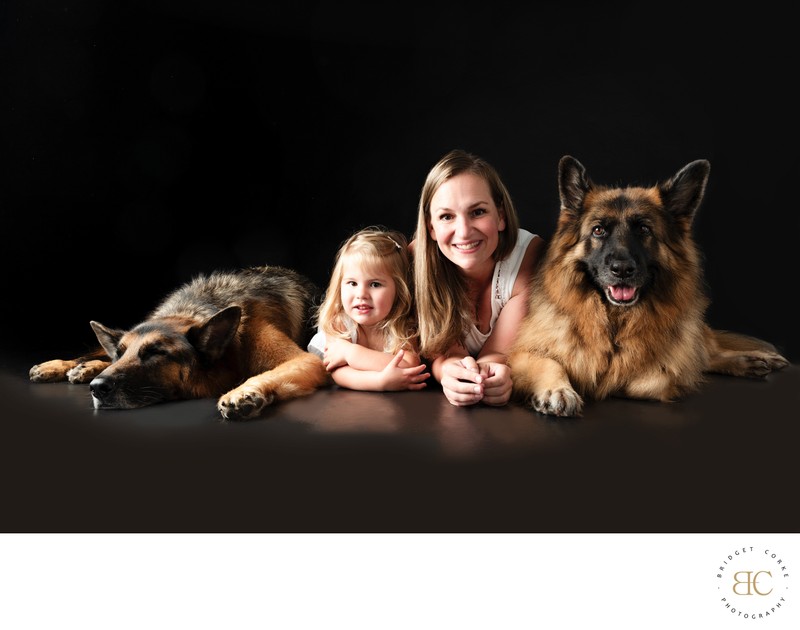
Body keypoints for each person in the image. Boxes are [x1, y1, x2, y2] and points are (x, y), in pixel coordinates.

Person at [412, 149, 545, 407]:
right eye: (446, 216)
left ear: (501, 216)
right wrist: (449, 373)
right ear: (431, 228)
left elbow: (496, 353)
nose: (463, 231)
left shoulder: (529, 257)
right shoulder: (416, 262)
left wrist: (493, 378)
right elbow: (446, 353)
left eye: (477, 212)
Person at [308, 226, 431, 392]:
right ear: (339, 286)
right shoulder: (340, 323)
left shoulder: (402, 325)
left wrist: (350, 353)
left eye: (375, 284)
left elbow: (409, 364)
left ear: (399, 290)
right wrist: (380, 382)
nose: (361, 294)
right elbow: (338, 372)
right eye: (352, 283)